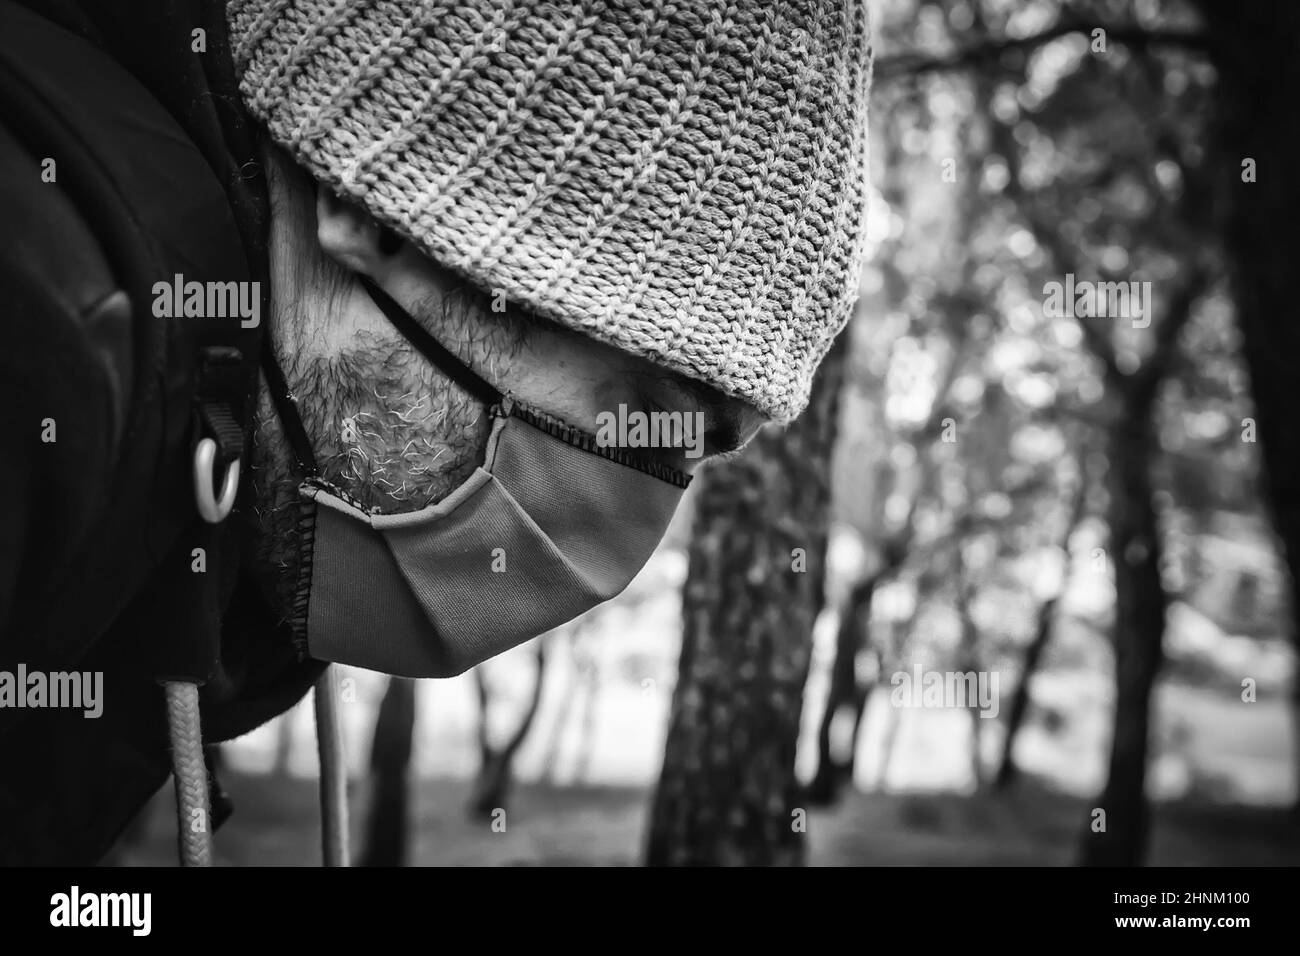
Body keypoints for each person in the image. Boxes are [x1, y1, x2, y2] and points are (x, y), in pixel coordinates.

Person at [0, 0, 873, 864]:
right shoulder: (43, 337)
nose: (630, 531)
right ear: (375, 210)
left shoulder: (210, 439)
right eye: (641, 410)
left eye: (693, 456)